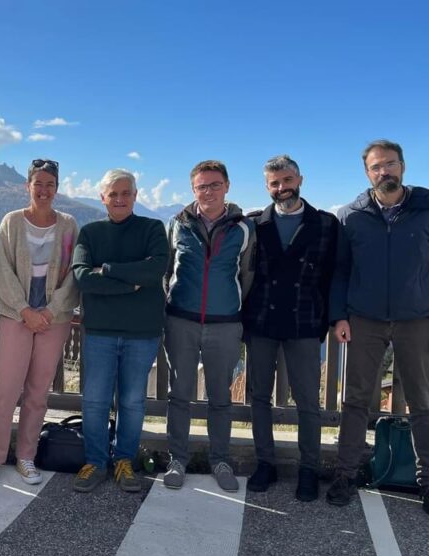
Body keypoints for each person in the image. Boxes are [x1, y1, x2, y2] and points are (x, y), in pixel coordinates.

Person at [327, 140, 429, 515]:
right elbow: (339, 270)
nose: (384, 171)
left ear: (403, 166)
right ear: (367, 173)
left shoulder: (425, 207)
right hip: (364, 319)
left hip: (416, 318)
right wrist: (339, 315)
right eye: (376, 167)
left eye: (390, 164)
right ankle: (345, 474)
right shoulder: (350, 215)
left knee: (423, 401)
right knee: (355, 399)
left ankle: (427, 481)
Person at [242, 155, 338, 501]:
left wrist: (333, 317)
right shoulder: (255, 223)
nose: (282, 188)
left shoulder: (326, 224)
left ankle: (308, 469)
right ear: (267, 187)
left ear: (300, 179)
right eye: (274, 183)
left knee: (308, 401)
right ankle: (264, 463)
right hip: (261, 321)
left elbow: (334, 276)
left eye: (287, 180)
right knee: (259, 397)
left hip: (305, 321)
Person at [0, 159, 79, 485]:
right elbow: (2, 270)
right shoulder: (11, 222)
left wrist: (49, 311)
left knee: (38, 392)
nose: (44, 190)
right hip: (15, 316)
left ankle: (26, 456)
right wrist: (25, 310)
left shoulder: (68, 225)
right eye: (39, 184)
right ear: (28, 186)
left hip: (55, 317)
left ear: (57, 188)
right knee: (6, 389)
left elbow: (74, 273)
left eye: (50, 184)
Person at [71, 169, 168, 493]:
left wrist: (109, 270)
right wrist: (133, 283)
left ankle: (124, 461)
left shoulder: (152, 228)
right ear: (103, 198)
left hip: (143, 332)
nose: (120, 199)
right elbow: (83, 278)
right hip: (100, 331)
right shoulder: (90, 233)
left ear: (136, 196)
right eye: (113, 194)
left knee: (131, 402)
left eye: (126, 193)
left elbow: (156, 271)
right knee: (95, 401)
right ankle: (95, 462)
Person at [163, 160, 255, 493]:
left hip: (224, 325)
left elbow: (247, 275)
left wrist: (230, 307)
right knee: (180, 394)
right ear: (193, 190)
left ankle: (220, 459)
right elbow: (166, 269)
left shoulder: (244, 228)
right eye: (202, 186)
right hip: (181, 321)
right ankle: (177, 459)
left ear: (227, 186)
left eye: (215, 185)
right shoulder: (177, 224)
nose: (209, 191)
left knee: (220, 398)